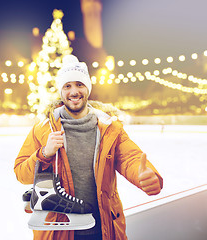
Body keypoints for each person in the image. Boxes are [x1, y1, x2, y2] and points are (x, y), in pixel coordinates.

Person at [14, 54, 163, 240]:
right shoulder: (43, 129)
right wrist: (45, 153)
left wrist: (146, 176)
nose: (74, 91)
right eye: (67, 86)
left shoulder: (109, 128)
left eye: (80, 84)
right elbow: (21, 173)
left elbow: (130, 158)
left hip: (103, 227)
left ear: (88, 88)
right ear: (61, 91)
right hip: (59, 230)